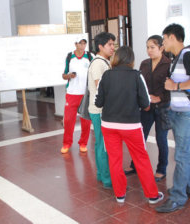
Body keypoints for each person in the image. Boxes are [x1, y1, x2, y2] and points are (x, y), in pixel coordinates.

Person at [95, 46, 164, 203]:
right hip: (131, 126)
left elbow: (98, 102)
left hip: (109, 125)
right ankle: (152, 195)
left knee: (114, 159)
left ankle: (120, 195)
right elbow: (146, 102)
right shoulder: (136, 75)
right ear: (131, 60)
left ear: (116, 58)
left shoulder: (106, 75)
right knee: (141, 159)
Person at [124, 35, 171, 182]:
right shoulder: (144, 64)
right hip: (146, 107)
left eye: (152, 47)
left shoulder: (169, 64)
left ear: (161, 48)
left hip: (163, 107)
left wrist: (161, 97)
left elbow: (172, 87)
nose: (149, 50)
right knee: (140, 137)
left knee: (161, 139)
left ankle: (161, 169)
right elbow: (139, 83)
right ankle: (135, 165)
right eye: (147, 47)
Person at [156, 24, 190, 213]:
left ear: (172, 37)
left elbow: (177, 85)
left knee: (182, 156)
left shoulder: (187, 55)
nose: (163, 42)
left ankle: (178, 197)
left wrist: (175, 87)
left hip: (186, 114)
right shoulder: (176, 58)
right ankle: (185, 186)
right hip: (178, 112)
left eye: (164, 38)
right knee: (185, 154)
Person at [88, 32, 115, 189]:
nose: (112, 47)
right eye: (109, 44)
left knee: (100, 143)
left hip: (99, 109)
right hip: (99, 110)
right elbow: (101, 87)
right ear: (100, 46)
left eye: (113, 44)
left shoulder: (104, 61)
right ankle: (107, 178)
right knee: (103, 144)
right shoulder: (98, 63)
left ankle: (101, 174)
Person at [60, 37, 93, 154]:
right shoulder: (70, 57)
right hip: (72, 93)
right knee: (68, 120)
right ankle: (67, 143)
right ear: (75, 44)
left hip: (85, 94)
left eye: (84, 43)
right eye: (80, 43)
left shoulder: (90, 56)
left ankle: (83, 143)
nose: (83, 45)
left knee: (86, 121)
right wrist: (69, 76)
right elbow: (63, 75)